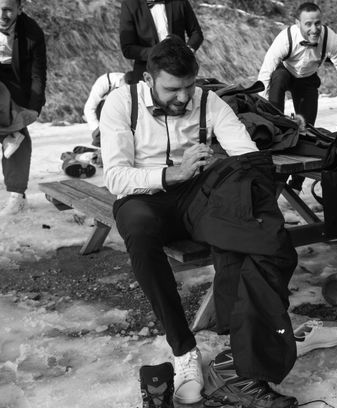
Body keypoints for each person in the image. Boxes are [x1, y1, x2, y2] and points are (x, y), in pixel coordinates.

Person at [100, 36, 298, 407]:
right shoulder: (120, 103)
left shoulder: (209, 101)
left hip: (196, 198)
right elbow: (116, 177)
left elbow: (247, 157)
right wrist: (170, 173)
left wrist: (232, 176)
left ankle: (242, 361)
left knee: (242, 207)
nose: (182, 97)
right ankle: (183, 348)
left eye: (189, 86)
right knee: (139, 230)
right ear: (148, 80)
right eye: (172, 89)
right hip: (143, 197)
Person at [258, 2, 337, 191]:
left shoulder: (330, 38)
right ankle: (273, 124)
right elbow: (266, 71)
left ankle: (296, 185)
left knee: (306, 129)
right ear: (298, 23)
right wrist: (260, 107)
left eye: (317, 23)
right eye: (308, 24)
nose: (314, 29)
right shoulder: (285, 38)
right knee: (277, 77)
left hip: (307, 80)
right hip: (285, 74)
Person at [0, 0, 46, 217]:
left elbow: (38, 75)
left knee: (19, 135)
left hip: (17, 87)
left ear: (19, 8)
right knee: (15, 134)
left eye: (8, 9)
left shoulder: (32, 32)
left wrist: (34, 109)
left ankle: (17, 196)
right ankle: (10, 134)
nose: (2, 15)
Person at [119, 0, 203, 83]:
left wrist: (187, 51)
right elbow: (128, 49)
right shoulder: (130, 6)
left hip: (181, 71)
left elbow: (196, 33)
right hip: (146, 74)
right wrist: (160, 54)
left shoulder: (179, 0)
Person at [83, 71, 130, 147]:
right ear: (121, 81)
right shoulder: (102, 83)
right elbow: (89, 108)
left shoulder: (132, 84)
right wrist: (97, 131)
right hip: (101, 110)